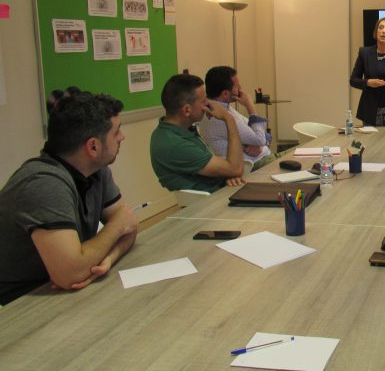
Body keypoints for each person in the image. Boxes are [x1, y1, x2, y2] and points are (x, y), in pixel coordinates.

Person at [0, 92, 137, 305]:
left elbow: (130, 227)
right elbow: (71, 274)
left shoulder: (95, 170)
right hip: (18, 304)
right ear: (93, 147)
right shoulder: (43, 183)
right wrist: (118, 226)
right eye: (116, 132)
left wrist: (109, 259)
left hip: (63, 290)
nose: (122, 137)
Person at [150, 73, 245, 193]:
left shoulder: (177, 130)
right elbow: (235, 168)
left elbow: (231, 170)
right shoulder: (174, 144)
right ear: (187, 110)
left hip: (221, 191)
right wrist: (228, 118)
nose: (209, 104)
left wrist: (228, 174)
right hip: (209, 201)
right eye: (204, 100)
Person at [198, 66, 275, 171]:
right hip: (254, 166)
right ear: (225, 93)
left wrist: (260, 144)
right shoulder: (217, 116)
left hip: (262, 159)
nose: (240, 87)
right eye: (236, 86)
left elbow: (264, 136)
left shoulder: (224, 108)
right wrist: (250, 106)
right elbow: (260, 138)